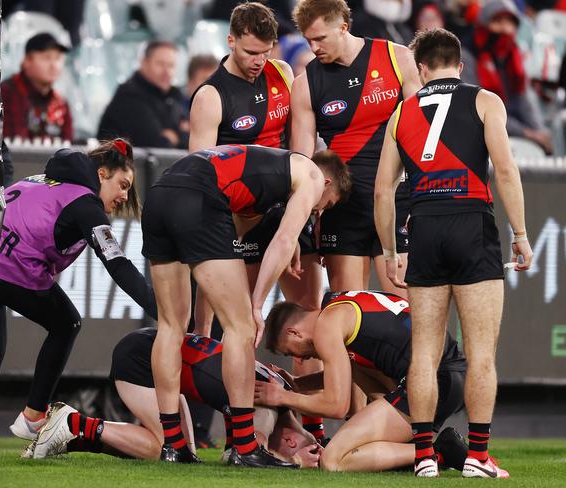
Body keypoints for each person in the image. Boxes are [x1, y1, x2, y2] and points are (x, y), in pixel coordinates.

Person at [374, 28, 533, 478]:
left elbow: (384, 190)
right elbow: (504, 168)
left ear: (420, 68)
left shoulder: (402, 111)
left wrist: (390, 249)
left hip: (423, 225)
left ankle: (424, 455)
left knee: (423, 352)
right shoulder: (485, 100)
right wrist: (520, 232)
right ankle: (477, 458)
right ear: (459, 66)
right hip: (471, 221)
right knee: (481, 352)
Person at [141, 144, 350, 466]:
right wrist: (256, 305)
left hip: (160, 193)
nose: (317, 212)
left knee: (170, 326)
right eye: (325, 205)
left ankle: (174, 445)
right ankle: (244, 445)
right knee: (241, 327)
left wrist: (203, 324)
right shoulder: (309, 175)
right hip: (199, 195)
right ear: (325, 184)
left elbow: (225, 249)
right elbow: (279, 242)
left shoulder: (257, 182)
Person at [189, 2, 331, 444]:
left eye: (265, 52)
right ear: (230, 40)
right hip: (238, 222)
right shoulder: (211, 97)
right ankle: (231, 430)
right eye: (250, 52)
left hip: (286, 209)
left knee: (311, 323)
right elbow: (199, 176)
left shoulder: (283, 75)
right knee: (223, 327)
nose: (258, 61)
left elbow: (299, 140)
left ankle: (313, 430)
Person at [0, 139, 157, 442]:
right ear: (102, 174)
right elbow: (118, 265)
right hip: (12, 270)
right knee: (66, 322)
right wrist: (161, 309)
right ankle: (32, 418)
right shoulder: (85, 204)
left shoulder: (45, 180)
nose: (124, 195)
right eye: (122, 184)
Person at [29, 330, 320, 467]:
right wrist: (294, 462)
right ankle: (73, 422)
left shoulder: (280, 386)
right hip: (142, 360)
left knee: (183, 456)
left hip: (154, 352)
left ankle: (70, 440)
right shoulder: (266, 406)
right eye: (290, 447)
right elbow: (249, 454)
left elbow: (230, 453)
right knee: (165, 449)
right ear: (292, 441)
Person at [290, 0, 421, 296]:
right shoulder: (306, 84)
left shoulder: (398, 58)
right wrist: (307, 218)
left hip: (396, 198)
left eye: (321, 38)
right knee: (347, 312)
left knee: (405, 313)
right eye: (308, 40)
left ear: (343, 27)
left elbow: (422, 135)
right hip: (344, 207)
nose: (314, 47)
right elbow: (301, 164)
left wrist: (422, 198)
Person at [256, 290, 468, 473]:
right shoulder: (340, 305)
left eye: (290, 351)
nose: (299, 359)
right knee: (354, 361)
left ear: (293, 332)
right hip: (447, 375)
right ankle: (412, 446)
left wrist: (282, 396)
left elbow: (337, 406)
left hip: (430, 382)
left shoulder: (326, 326)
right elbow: (343, 372)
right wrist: (299, 384)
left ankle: (439, 452)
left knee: (333, 460)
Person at [462, 0, 552, 154]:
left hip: (512, 127)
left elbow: (523, 100)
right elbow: (480, 108)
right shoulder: (467, 57)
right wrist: (527, 133)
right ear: (483, 25)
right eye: (497, 21)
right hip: (480, 132)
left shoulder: (512, 56)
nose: (505, 29)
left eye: (510, 23)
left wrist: (540, 131)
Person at [97, 41, 189, 149]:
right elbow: (158, 144)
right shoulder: (129, 95)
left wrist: (176, 136)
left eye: (171, 66)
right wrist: (179, 135)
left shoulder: (174, 95)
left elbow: (194, 138)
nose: (167, 72)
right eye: (160, 64)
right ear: (144, 63)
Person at [1, 32, 73, 142]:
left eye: (58, 58)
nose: (54, 65)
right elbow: (12, 147)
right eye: (46, 58)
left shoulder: (61, 103)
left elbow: (69, 148)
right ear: (27, 61)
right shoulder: (6, 93)